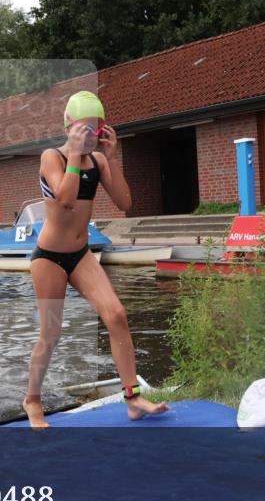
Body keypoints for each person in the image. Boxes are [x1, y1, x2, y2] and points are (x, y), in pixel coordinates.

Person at [24, 91, 169, 428]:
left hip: (80, 254)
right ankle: (32, 400)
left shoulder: (99, 161)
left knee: (117, 314)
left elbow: (125, 203)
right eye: (85, 130)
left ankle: (132, 398)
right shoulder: (52, 158)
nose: (91, 136)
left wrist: (112, 158)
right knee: (51, 333)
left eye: (96, 130)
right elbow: (65, 200)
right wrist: (74, 155)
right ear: (70, 129)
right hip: (48, 258)